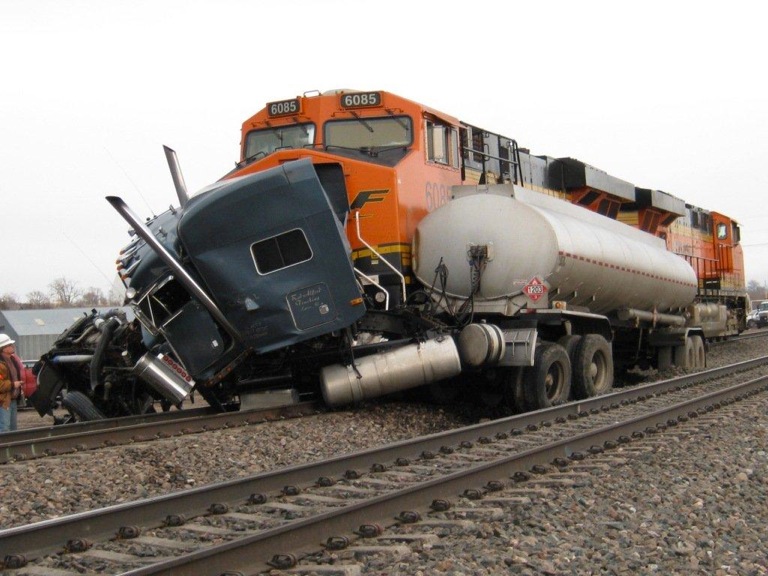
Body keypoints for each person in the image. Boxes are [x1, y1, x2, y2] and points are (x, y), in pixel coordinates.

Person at [0, 333, 24, 433]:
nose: (12, 346)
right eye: (9, 345)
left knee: (13, 430)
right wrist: (13, 384)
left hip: (11, 399)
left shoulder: (13, 360)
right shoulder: (1, 364)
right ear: (3, 348)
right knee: (5, 429)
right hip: (3, 401)